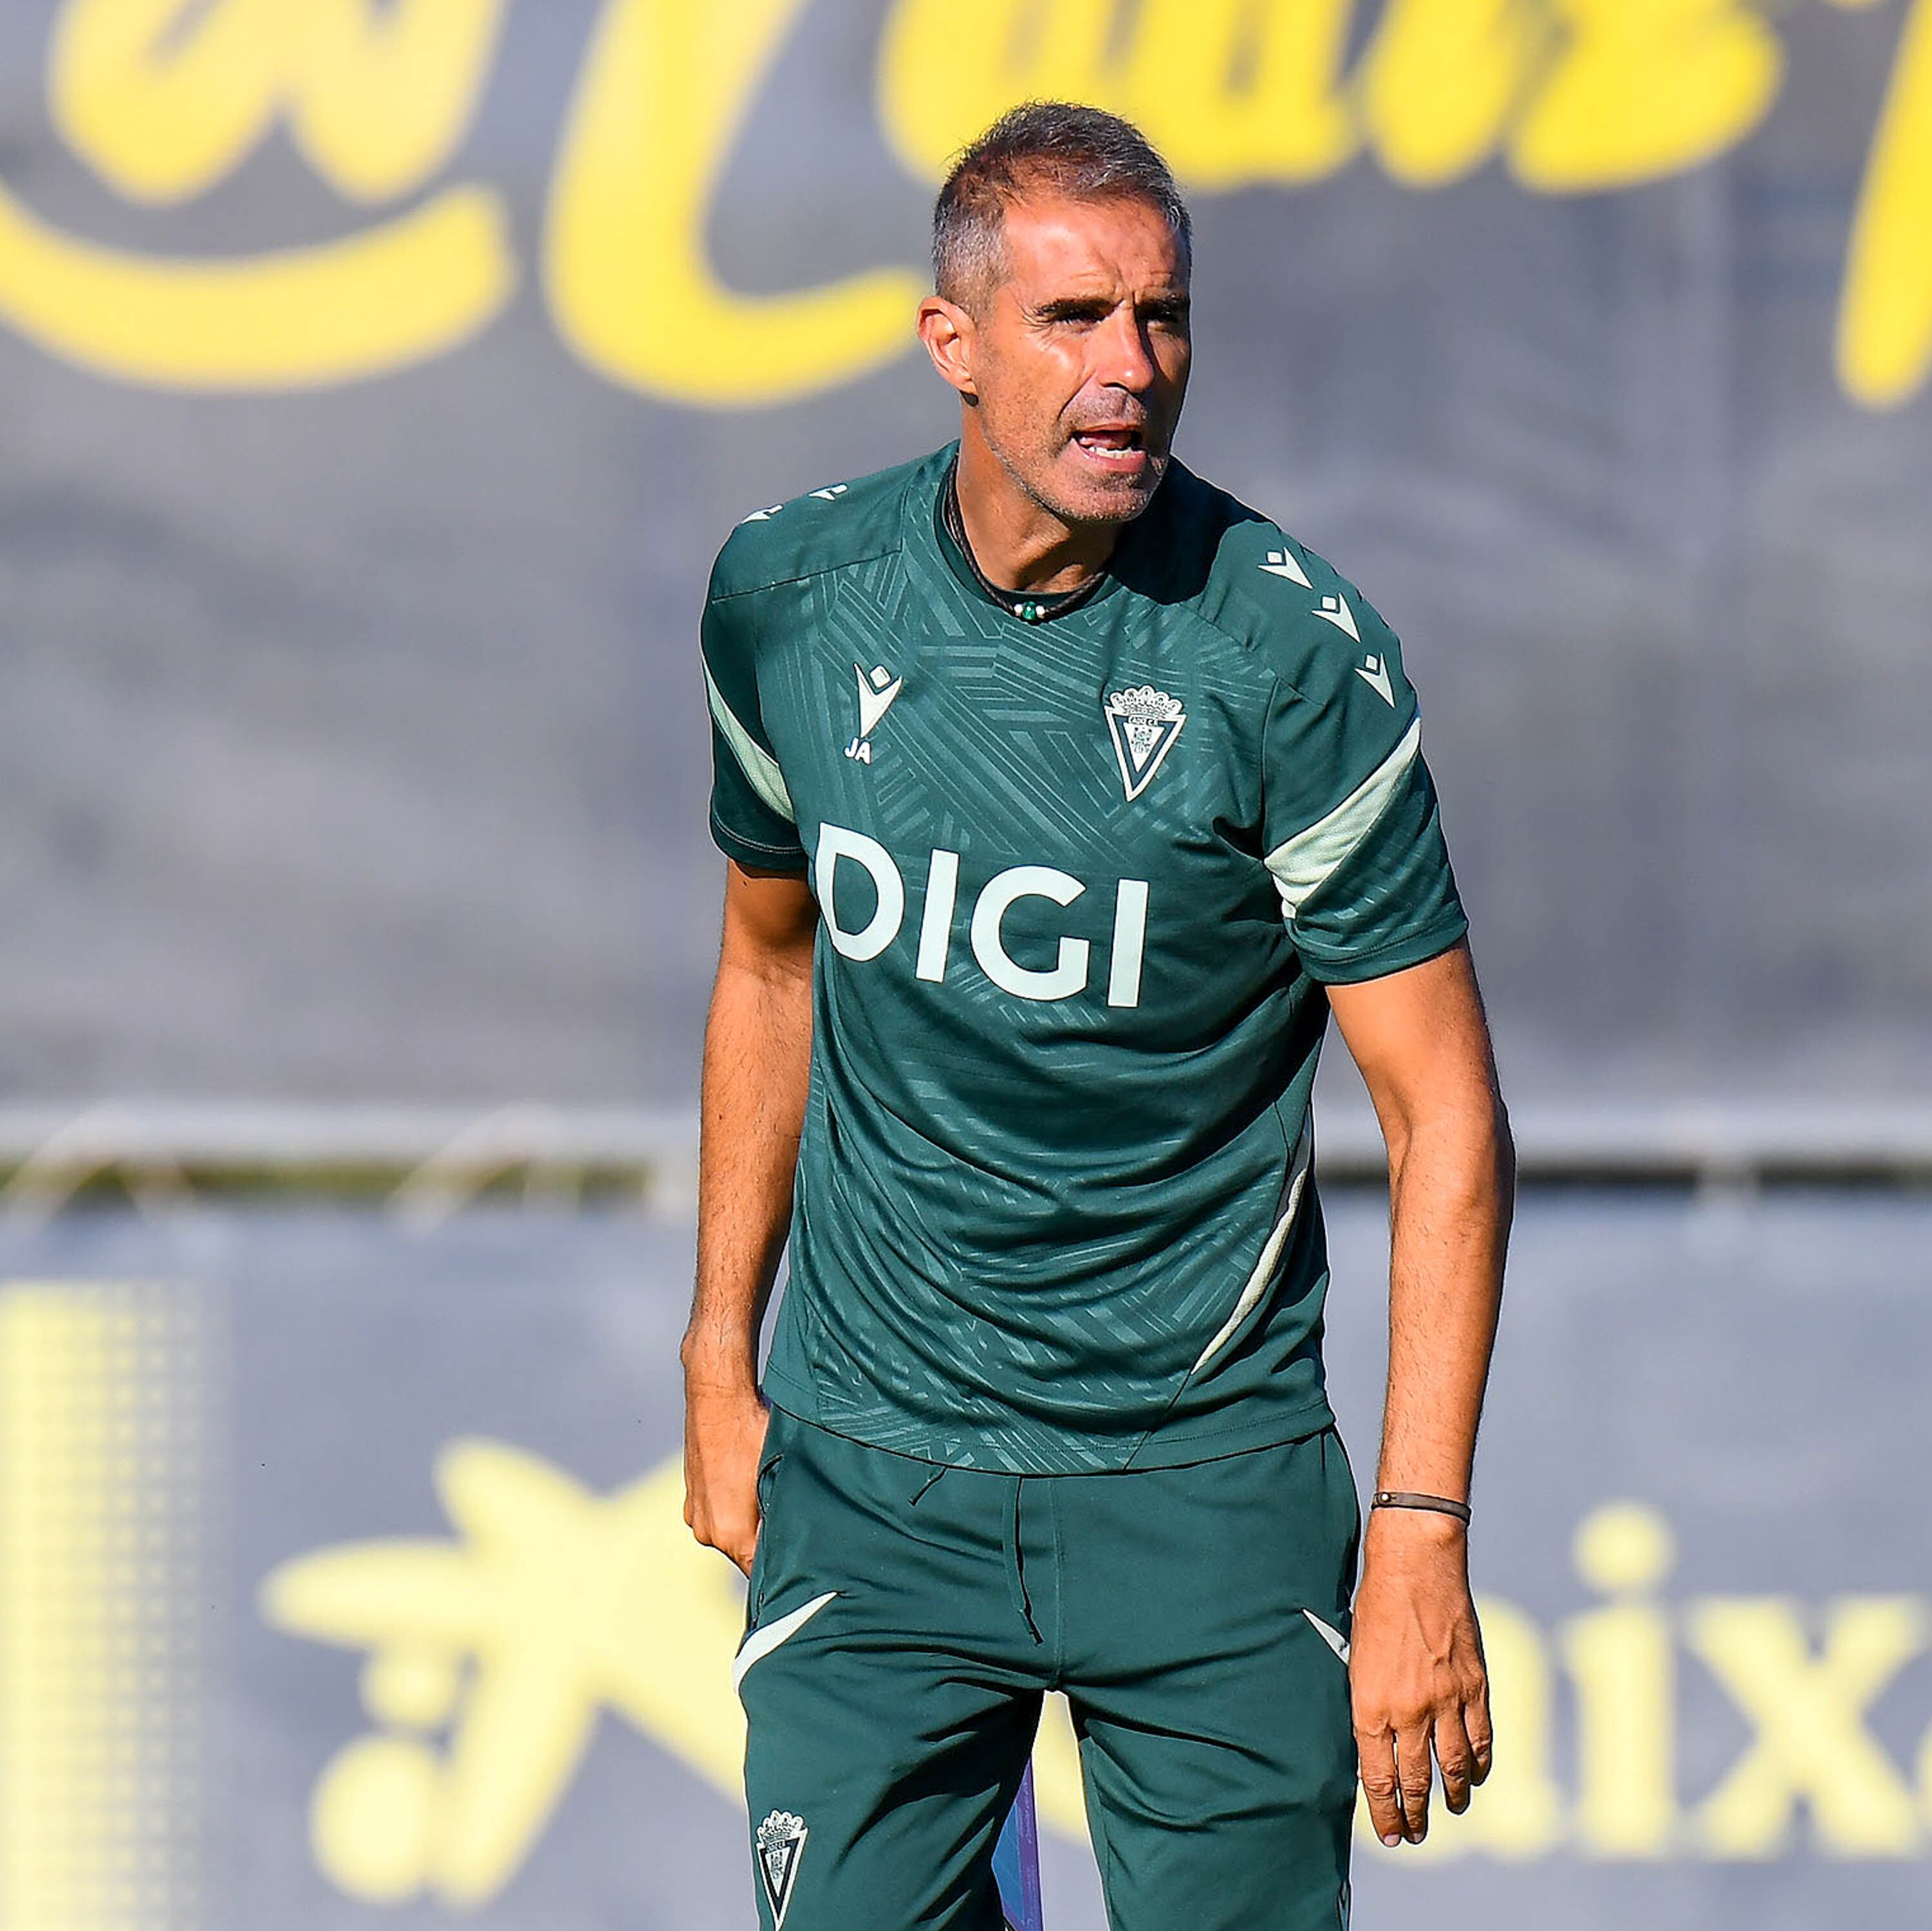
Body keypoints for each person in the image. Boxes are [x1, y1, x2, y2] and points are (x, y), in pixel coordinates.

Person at [680, 102, 1513, 1931]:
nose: (1129, 370)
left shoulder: (1288, 658)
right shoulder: (789, 599)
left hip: (1201, 1488)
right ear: (951, 344)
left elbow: (1443, 1115)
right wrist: (715, 1359)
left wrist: (1418, 1534)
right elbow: (770, 961)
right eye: (1072, 320)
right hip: (875, 1472)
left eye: (1163, 318)